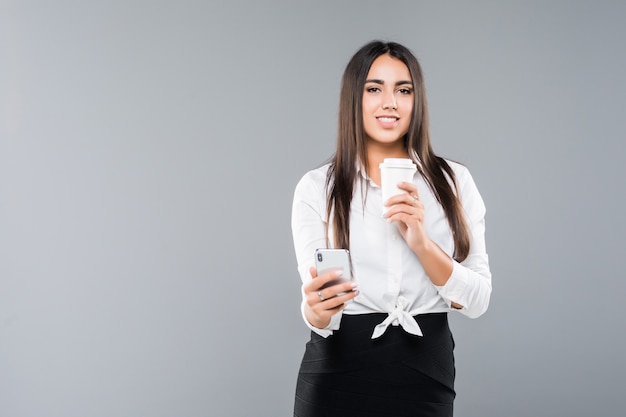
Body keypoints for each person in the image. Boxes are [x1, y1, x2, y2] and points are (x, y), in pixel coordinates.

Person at [291, 40, 492, 417]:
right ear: (355, 98)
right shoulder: (317, 187)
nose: (390, 102)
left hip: (425, 371)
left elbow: (478, 301)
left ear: (416, 101)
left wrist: (421, 242)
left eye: (403, 89)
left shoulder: (453, 182)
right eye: (373, 89)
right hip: (336, 374)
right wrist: (314, 309)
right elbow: (320, 313)